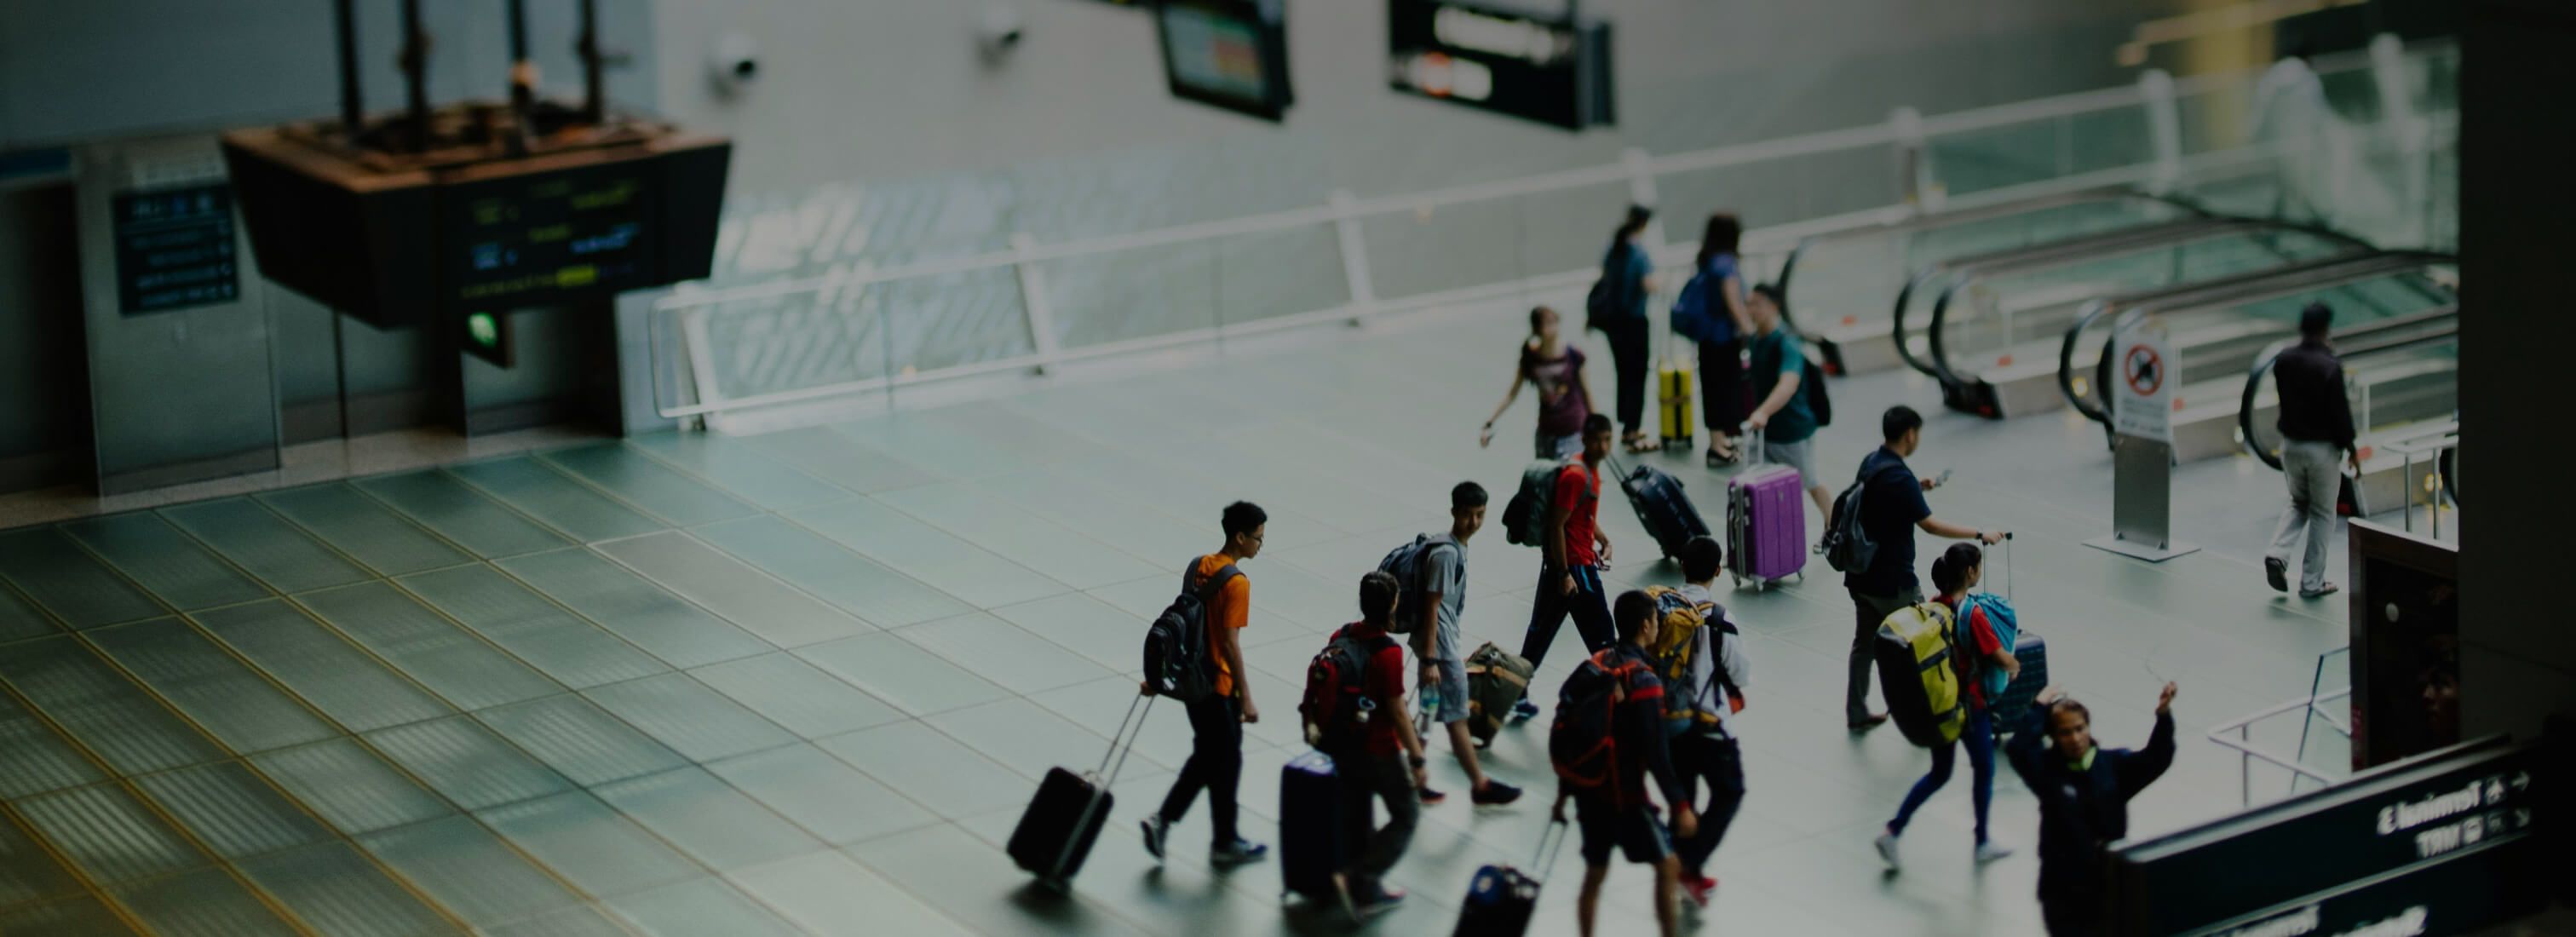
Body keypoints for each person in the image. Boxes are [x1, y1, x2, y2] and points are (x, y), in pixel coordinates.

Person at [1844, 406, 2007, 732]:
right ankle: (1940, 708)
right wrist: (1979, 533)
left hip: (1862, 576)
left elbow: (1882, 497)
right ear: (1910, 434)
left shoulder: (1872, 462)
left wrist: (1916, 487)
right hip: (1895, 582)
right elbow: (1930, 525)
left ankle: (1857, 711)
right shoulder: (1900, 478)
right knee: (1933, 638)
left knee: (1864, 646)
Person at [1551, 589, 1699, 937]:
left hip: (1590, 790)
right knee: (1668, 864)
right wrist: (1680, 805)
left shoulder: (1598, 663)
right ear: (1646, 625)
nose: (1658, 626)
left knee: (1594, 874)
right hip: (1626, 797)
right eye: (1656, 621)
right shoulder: (1644, 681)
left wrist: (1563, 793)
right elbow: (1655, 751)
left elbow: (1578, 728)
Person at [1875, 543, 2018, 871]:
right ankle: (1982, 841)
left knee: (1940, 772)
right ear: (1970, 572)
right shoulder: (1973, 614)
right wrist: (2014, 665)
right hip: (1971, 706)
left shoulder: (1936, 606)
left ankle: (1893, 831)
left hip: (1942, 702)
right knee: (1984, 769)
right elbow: (1998, 656)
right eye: (1978, 567)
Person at [1142, 502, 1268, 866]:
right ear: (1240, 537)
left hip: (1192, 683)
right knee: (1224, 761)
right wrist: (1246, 698)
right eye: (1258, 538)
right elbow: (1230, 643)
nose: (1260, 545)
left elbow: (1185, 621)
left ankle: (1199, 831)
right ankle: (1215, 839)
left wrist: (1159, 676)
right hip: (1218, 687)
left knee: (1212, 756)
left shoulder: (1198, 566)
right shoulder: (1237, 583)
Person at [2006, 682, 2180, 936]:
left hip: (2109, 889)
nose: (2075, 739)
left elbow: (2157, 758)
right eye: (2065, 732)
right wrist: (2040, 706)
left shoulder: (2113, 766)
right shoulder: (2046, 771)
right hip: (2063, 895)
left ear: (2088, 727)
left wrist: (2163, 717)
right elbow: (2018, 749)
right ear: (2053, 736)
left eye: (2080, 729)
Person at [1407, 481, 1524, 807]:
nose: (1473, 522)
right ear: (1454, 512)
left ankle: (1414, 779)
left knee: (1428, 713)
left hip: (1436, 647)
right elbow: (1432, 606)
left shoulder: (1452, 546)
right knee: (1457, 717)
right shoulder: (1447, 553)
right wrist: (1431, 659)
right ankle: (1480, 785)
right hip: (1441, 652)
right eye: (1467, 515)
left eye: (1480, 515)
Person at [1326, 571, 1429, 922]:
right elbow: (1398, 711)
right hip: (1378, 747)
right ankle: (1362, 877)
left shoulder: (1341, 635)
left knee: (1358, 812)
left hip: (1343, 742)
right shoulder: (1389, 652)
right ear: (1393, 605)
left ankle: (1354, 883)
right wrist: (1417, 758)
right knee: (1406, 813)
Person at [1512, 414, 1619, 721]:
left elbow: (1580, 515)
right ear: (1585, 440)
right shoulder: (1576, 475)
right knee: (1603, 638)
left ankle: (1517, 693)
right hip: (1575, 569)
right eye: (1597, 440)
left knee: (1540, 634)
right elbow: (1557, 525)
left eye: (1607, 440)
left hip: (1568, 566)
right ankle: (1616, 697)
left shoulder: (1588, 470)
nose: (1603, 447)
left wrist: (1602, 538)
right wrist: (1564, 574)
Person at [1669, 536, 1751, 908]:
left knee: (1683, 799)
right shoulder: (1720, 619)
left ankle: (1682, 867)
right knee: (1729, 792)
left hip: (1671, 722)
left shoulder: (1662, 609)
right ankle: (1689, 865)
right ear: (1718, 571)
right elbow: (1740, 673)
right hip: (1710, 724)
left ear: (1682, 566)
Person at [2264, 302, 2360, 600]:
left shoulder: (2284, 360)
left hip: (2290, 446)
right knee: (2322, 512)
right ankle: (2312, 582)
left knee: (2298, 502)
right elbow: (2340, 414)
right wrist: (2352, 448)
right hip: (2321, 450)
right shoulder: (2329, 366)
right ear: (2326, 328)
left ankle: (2277, 554)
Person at [1741, 283, 1832, 519]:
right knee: (1759, 480)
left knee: (1810, 482)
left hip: (1792, 430)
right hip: (1765, 431)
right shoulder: (1755, 339)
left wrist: (1763, 412)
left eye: (1757, 305)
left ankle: (1834, 524)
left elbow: (1788, 384)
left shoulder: (1788, 343)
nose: (1751, 310)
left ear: (1774, 307)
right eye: (1748, 304)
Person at [1481, 306, 1600, 459]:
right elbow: (1512, 394)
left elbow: (1586, 392)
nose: (1549, 328)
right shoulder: (1531, 358)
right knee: (1546, 473)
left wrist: (1596, 426)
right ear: (1537, 329)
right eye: (1544, 324)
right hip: (1546, 432)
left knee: (1569, 472)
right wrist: (1490, 422)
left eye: (1552, 322)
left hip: (1573, 429)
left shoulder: (1573, 355)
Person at [1684, 214, 1755, 466]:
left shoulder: (1707, 260)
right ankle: (1721, 444)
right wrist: (1749, 329)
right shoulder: (1726, 263)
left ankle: (1718, 442)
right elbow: (1733, 301)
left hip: (1707, 336)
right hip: (1724, 338)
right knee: (1727, 389)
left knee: (1712, 389)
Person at [1599, 204, 1660, 454]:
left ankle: (1625, 423)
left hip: (1612, 321)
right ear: (1644, 224)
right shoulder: (1639, 252)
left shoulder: (1612, 246)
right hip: (1634, 321)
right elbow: (1649, 284)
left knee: (1622, 372)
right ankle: (1633, 431)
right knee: (1637, 376)